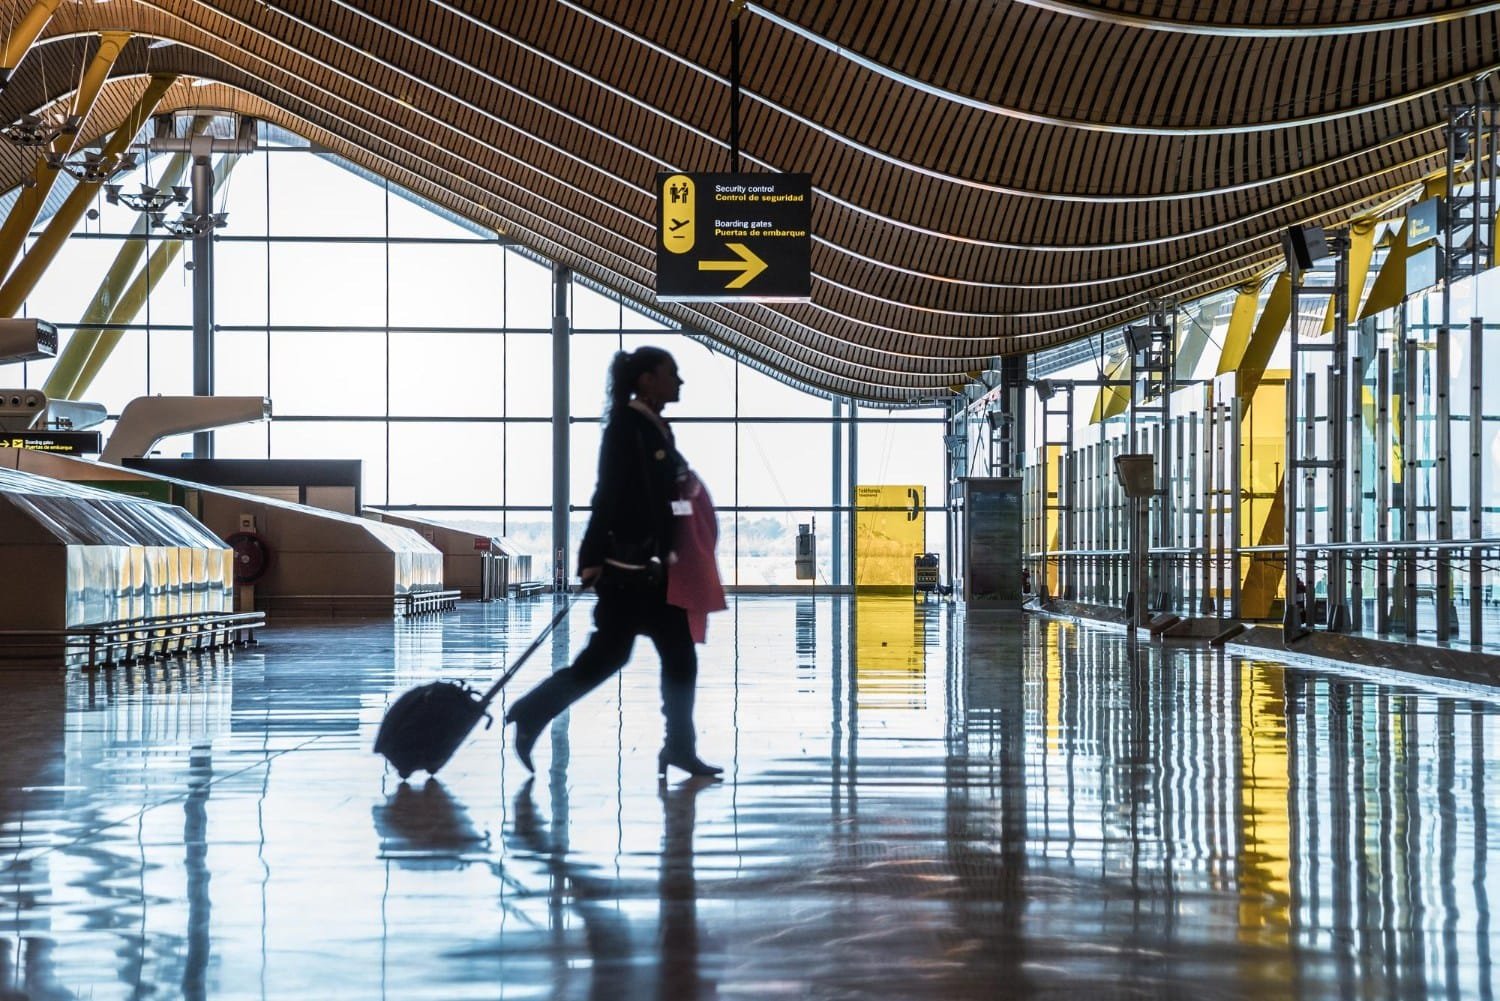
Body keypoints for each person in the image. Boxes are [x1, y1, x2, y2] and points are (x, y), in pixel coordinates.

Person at [504, 347, 723, 779]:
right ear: (645, 379)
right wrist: (589, 559)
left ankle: (679, 747)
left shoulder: (653, 428)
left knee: (677, 658)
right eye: (671, 373)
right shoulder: (628, 426)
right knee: (606, 660)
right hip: (628, 575)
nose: (679, 382)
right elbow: (607, 492)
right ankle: (531, 711)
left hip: (652, 572)